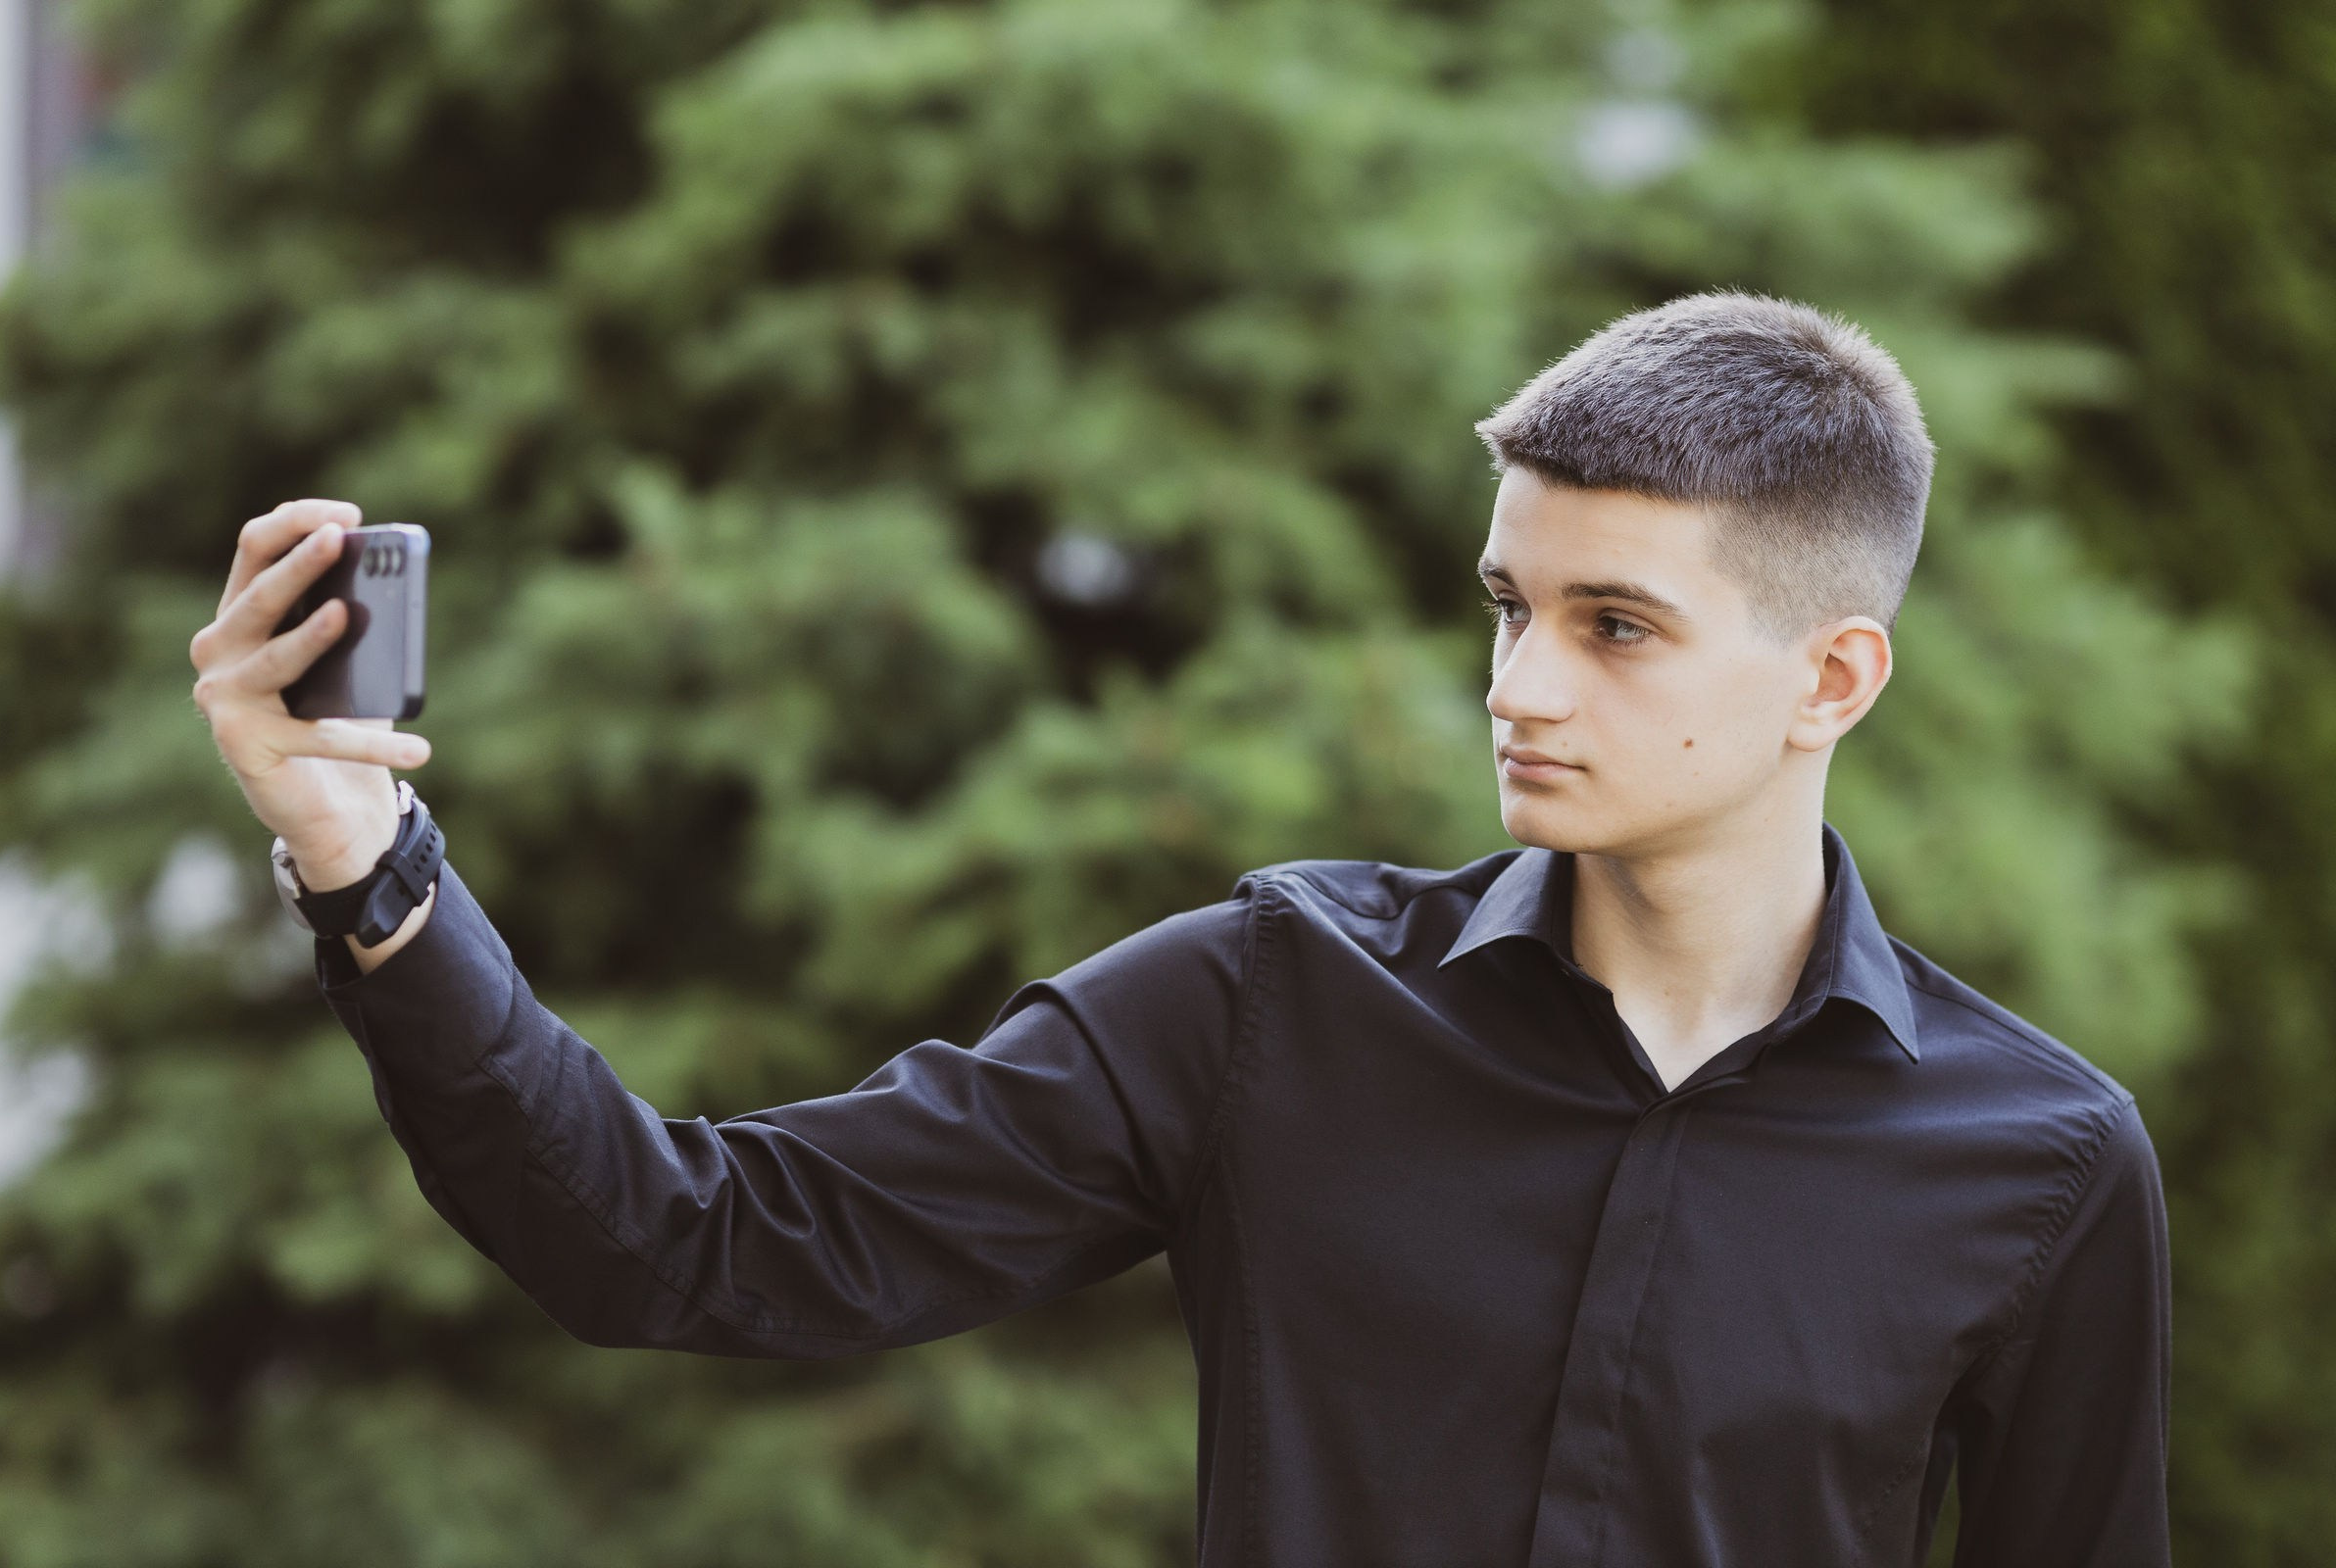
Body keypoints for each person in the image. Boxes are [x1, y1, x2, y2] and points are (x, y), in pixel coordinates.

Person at [187, 290, 2171, 1566]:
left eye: (1615, 625)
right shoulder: (1269, 1000)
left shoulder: (2047, 1164)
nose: (1522, 683)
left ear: (1834, 674)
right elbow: (681, 1238)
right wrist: (369, 861)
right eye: (1510, 603)